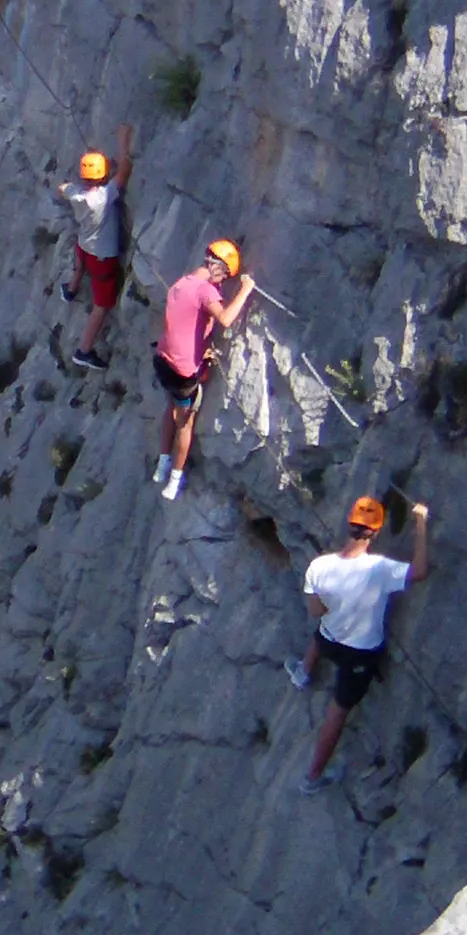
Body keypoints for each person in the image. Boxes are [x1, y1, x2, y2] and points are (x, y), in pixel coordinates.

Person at [288, 493, 432, 794]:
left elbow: (316, 611)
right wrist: (420, 524)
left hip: (329, 639)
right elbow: (419, 572)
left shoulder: (320, 565)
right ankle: (312, 777)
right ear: (375, 532)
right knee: (336, 714)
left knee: (321, 635)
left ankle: (303, 673)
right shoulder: (380, 569)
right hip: (360, 655)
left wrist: (338, 600)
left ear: (349, 525)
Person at [150, 238, 254, 500]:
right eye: (226, 276)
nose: (223, 283)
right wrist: (245, 289)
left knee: (169, 407)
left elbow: (188, 322)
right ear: (219, 268)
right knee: (184, 423)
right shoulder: (206, 291)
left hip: (163, 360)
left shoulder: (182, 283)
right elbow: (226, 319)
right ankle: (175, 478)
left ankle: (162, 462)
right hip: (184, 372)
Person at [53, 124, 134, 369]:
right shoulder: (104, 197)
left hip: (84, 245)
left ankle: (71, 290)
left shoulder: (76, 193)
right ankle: (83, 350)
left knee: (80, 265)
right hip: (102, 256)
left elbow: (63, 188)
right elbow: (125, 171)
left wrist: (71, 184)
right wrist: (123, 143)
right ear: (103, 175)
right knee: (102, 305)